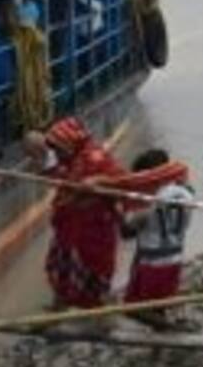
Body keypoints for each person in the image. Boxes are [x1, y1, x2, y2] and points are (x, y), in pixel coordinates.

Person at [40, 115, 128, 312]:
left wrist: (98, 185)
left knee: (93, 272)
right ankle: (61, 303)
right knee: (62, 267)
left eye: (58, 148)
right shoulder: (73, 157)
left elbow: (121, 185)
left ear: (68, 143)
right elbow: (63, 179)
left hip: (93, 230)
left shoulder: (96, 159)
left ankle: (95, 312)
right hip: (70, 227)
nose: (57, 153)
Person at [120, 148, 193, 327]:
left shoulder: (147, 199)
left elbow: (126, 232)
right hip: (175, 257)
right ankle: (162, 336)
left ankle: (172, 329)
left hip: (153, 262)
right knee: (158, 305)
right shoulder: (186, 192)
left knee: (133, 309)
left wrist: (120, 212)